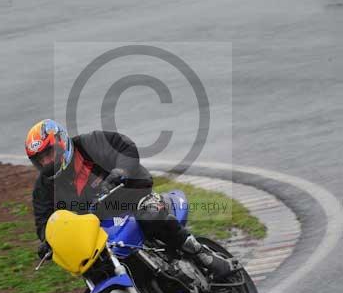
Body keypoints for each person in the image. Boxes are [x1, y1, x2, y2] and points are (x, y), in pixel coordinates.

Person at [25, 119, 235, 279]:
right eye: (40, 159)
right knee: (93, 266)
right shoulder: (44, 188)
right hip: (98, 227)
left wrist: (120, 170)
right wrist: (48, 241)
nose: (46, 161)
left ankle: (200, 253)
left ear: (61, 143)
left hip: (131, 196)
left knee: (150, 215)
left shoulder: (89, 144)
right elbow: (45, 222)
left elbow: (124, 146)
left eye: (49, 153)